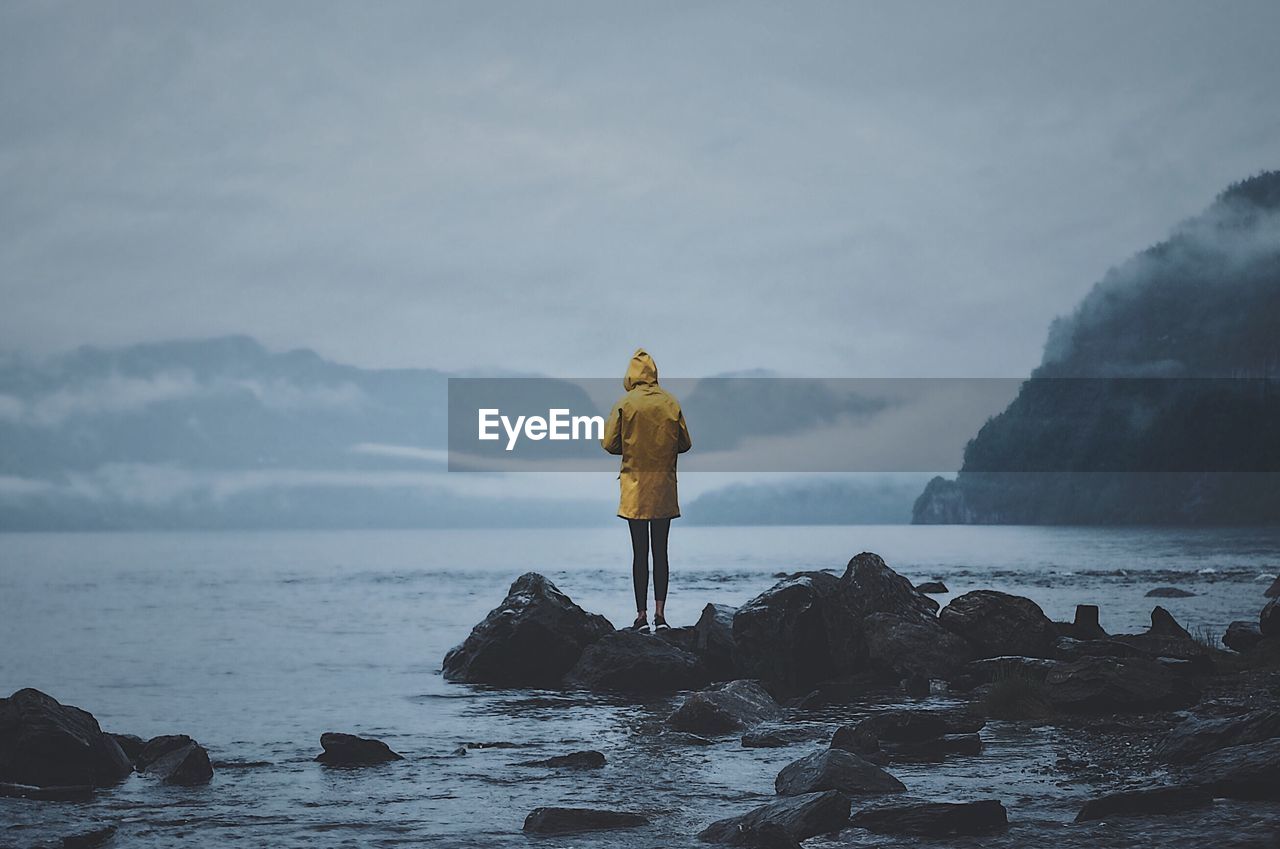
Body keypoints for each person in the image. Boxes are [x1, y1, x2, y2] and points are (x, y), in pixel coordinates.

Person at [601, 348, 692, 633]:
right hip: (663, 487)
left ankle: (640, 616)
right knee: (661, 552)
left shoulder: (625, 404)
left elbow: (608, 444)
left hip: (635, 489)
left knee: (639, 553)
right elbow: (685, 443)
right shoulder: (670, 403)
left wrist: (630, 447)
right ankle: (660, 615)